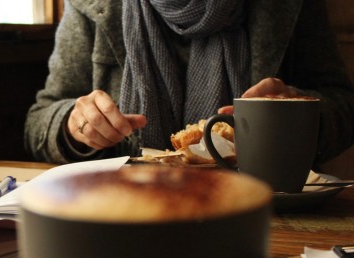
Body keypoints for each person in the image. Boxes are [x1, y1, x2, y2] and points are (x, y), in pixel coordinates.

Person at [24, 0, 354, 164]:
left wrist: (301, 114)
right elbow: (38, 122)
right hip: (123, 212)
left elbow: (344, 107)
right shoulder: (93, 6)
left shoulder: (288, 6)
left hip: (258, 215)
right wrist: (75, 126)